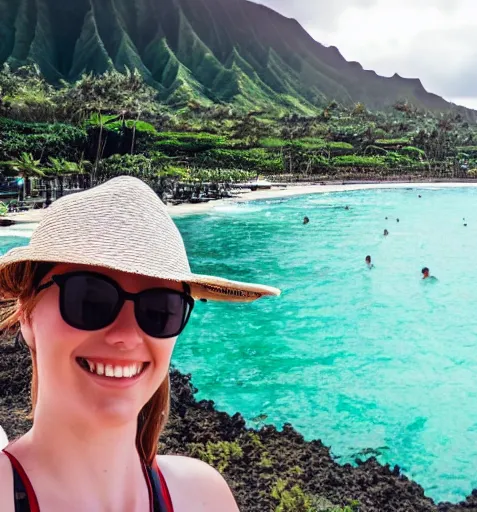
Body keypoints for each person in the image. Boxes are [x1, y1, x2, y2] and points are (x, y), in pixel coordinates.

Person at [0, 177, 281, 511]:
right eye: (90, 299)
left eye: (159, 309)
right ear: (28, 316)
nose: (127, 335)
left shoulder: (203, 497)